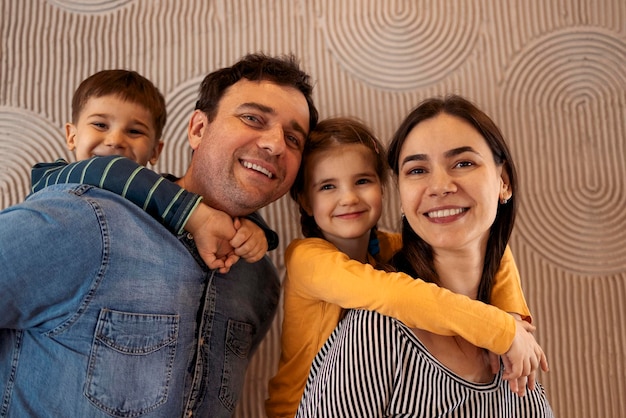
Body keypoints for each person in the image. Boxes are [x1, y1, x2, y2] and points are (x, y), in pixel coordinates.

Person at [0, 53, 318, 417]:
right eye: (252, 118)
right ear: (198, 129)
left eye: (294, 138)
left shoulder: (260, 280)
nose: (276, 144)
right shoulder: (86, 219)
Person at [266, 117, 547, 417]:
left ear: (384, 189)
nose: (348, 198)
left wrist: (511, 314)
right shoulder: (306, 259)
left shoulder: (388, 247)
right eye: (327, 186)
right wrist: (498, 328)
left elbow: (491, 247)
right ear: (305, 201)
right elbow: (395, 296)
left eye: (362, 181)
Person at [31, 68, 270, 270]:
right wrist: (196, 217)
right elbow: (113, 171)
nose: (115, 139)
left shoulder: (159, 193)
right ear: (72, 136)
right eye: (100, 124)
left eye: (134, 131)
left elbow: (207, 199)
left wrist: (249, 227)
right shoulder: (52, 176)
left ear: (155, 151)